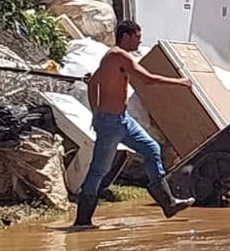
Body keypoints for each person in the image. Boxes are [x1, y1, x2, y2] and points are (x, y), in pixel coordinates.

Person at [73, 20, 196, 229]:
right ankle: (82, 220)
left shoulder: (111, 58)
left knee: (151, 148)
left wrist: (96, 113)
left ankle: (168, 203)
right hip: (111, 123)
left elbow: (93, 83)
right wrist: (179, 83)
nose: (140, 42)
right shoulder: (118, 56)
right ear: (126, 36)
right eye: (137, 38)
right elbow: (147, 79)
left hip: (122, 120)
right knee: (99, 170)